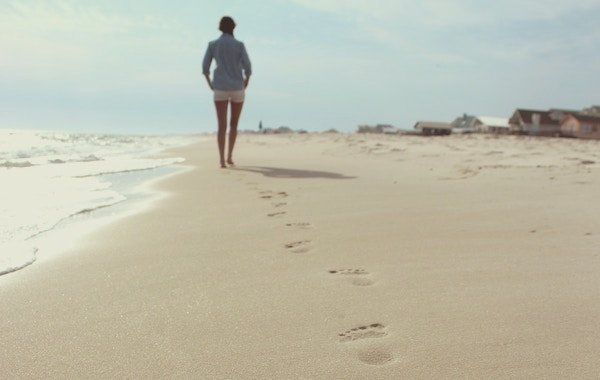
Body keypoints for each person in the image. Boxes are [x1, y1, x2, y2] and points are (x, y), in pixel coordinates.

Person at [202, 16, 252, 168]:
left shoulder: (213, 44)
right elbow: (248, 68)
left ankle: (222, 160)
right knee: (234, 124)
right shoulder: (239, 45)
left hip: (220, 87)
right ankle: (230, 156)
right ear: (233, 28)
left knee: (221, 125)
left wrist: (210, 83)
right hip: (237, 86)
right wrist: (246, 82)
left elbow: (205, 68)